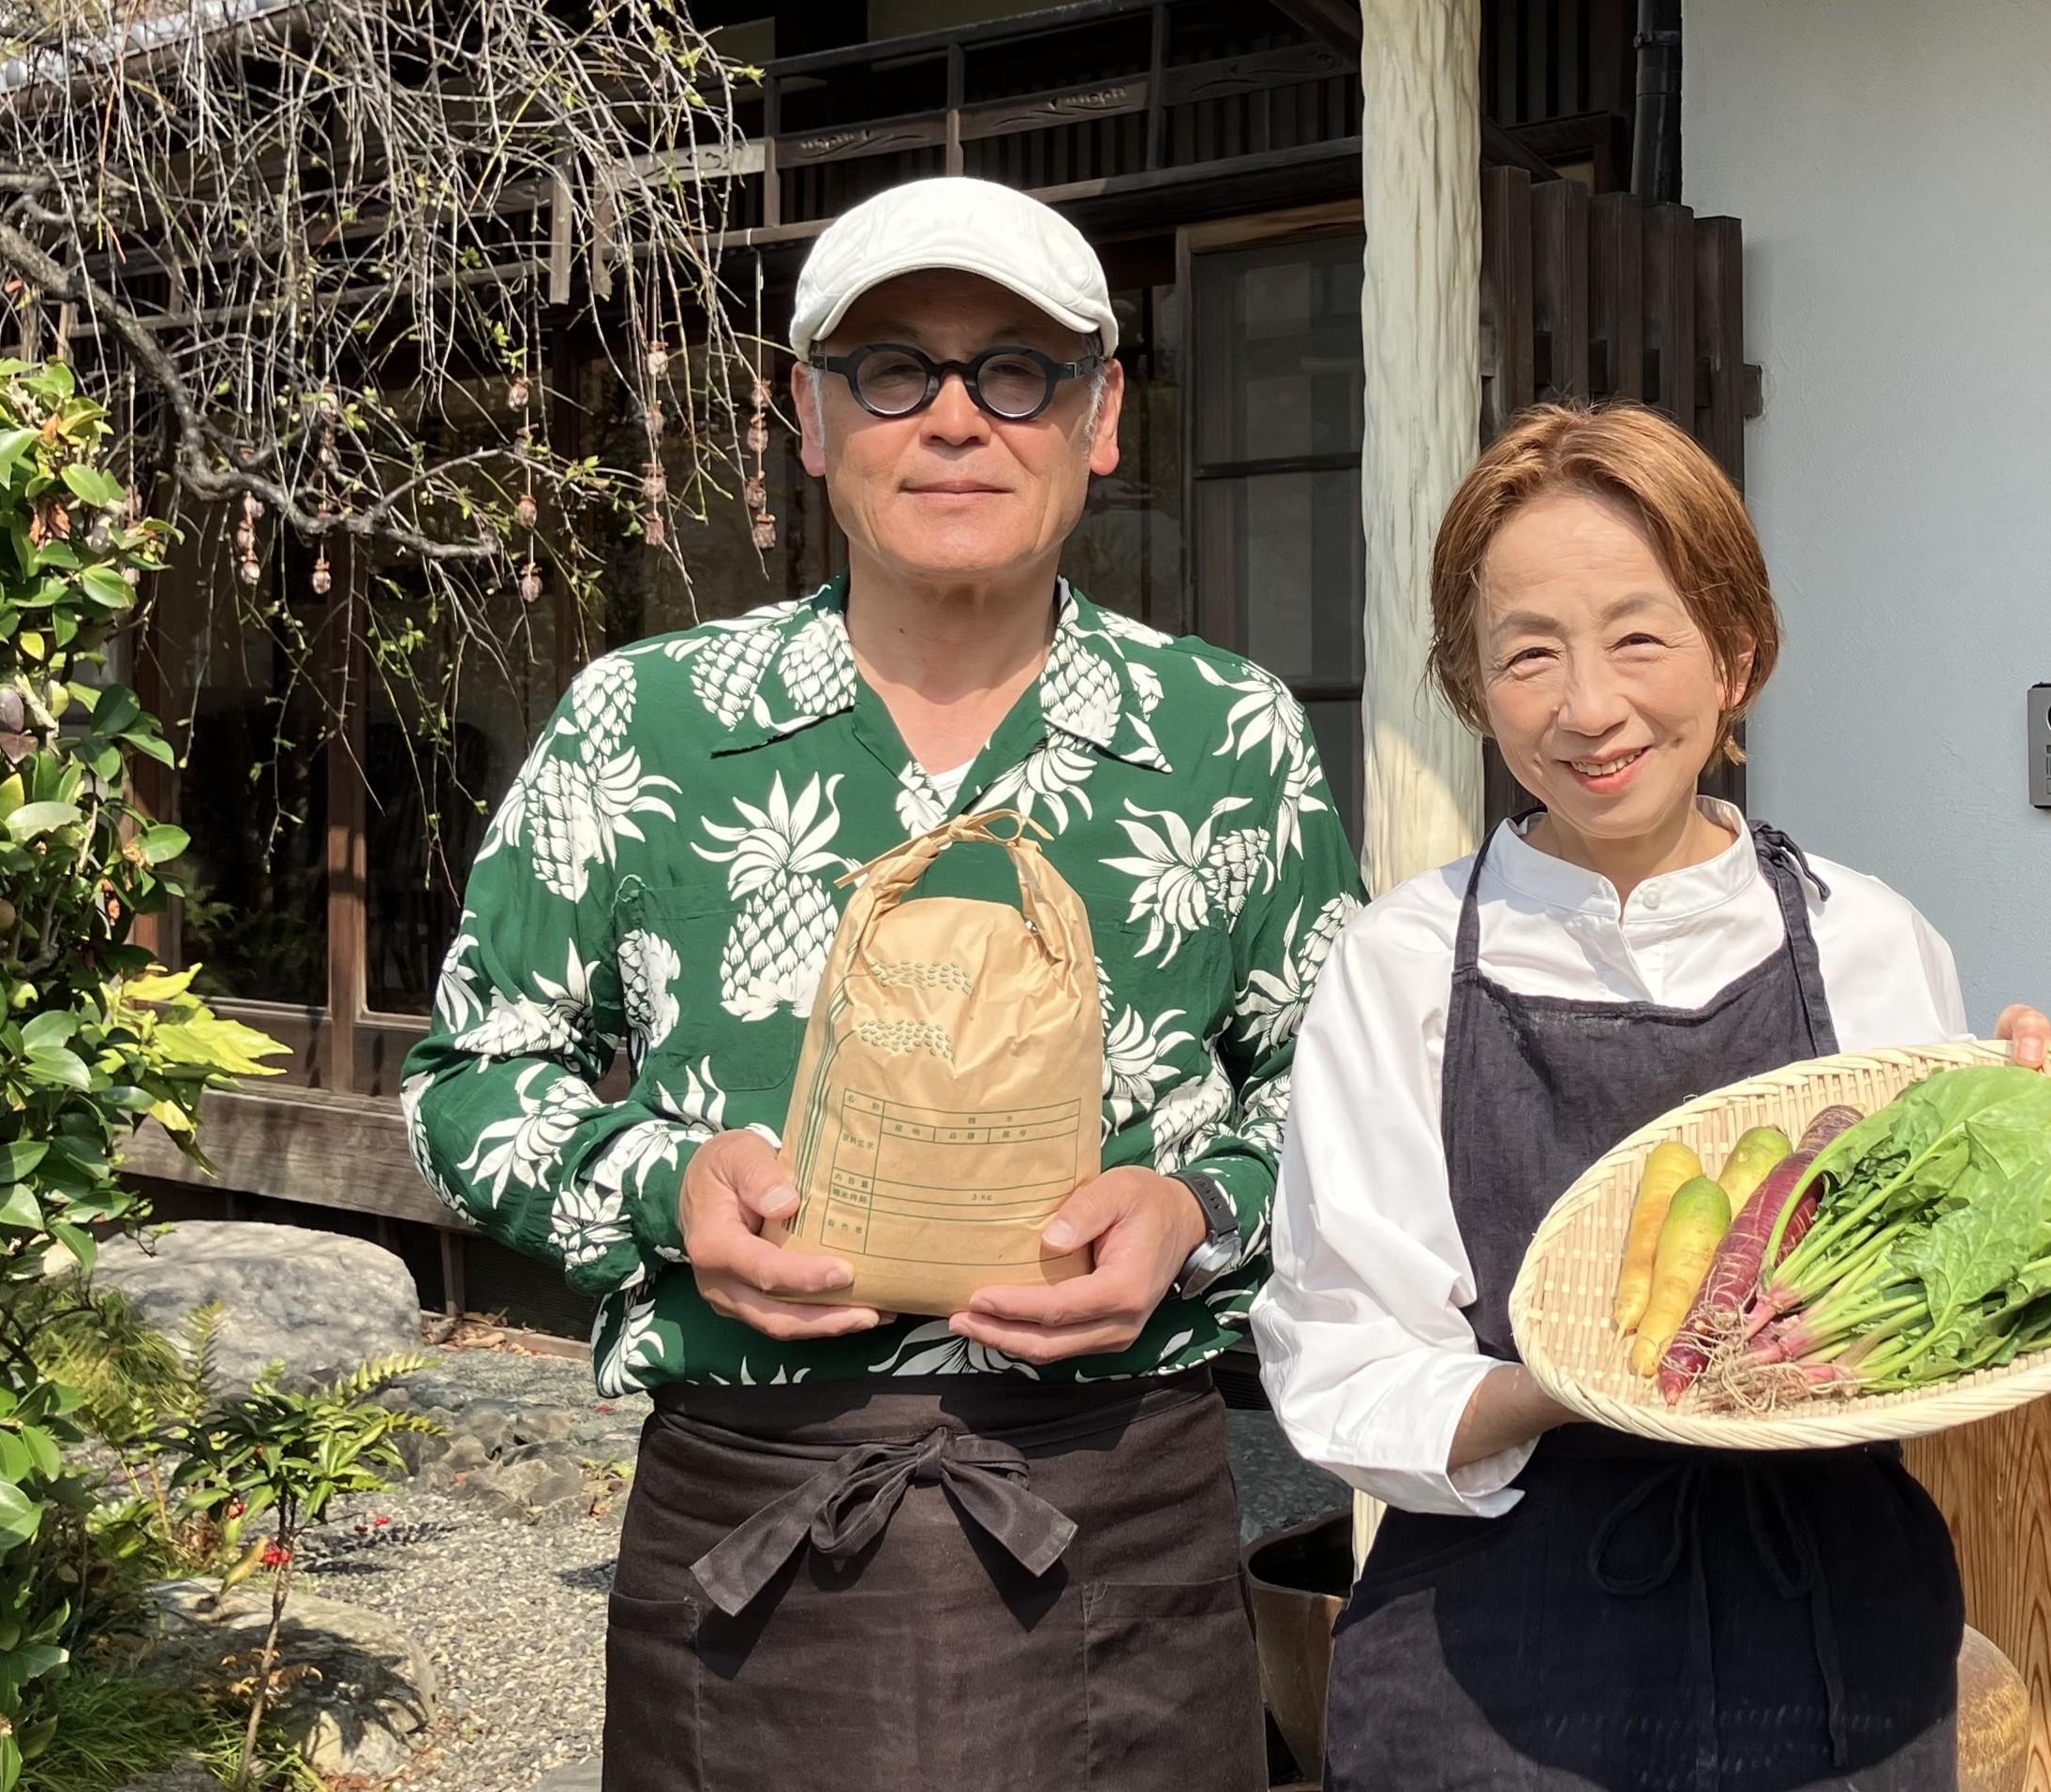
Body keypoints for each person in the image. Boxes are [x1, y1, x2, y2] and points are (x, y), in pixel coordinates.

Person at [402, 175, 1362, 1791]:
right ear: (808, 413)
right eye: (892, 369)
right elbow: (468, 1077)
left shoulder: (1225, 738)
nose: (955, 422)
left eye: (1018, 370)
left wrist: (1194, 1213)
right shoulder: (650, 725)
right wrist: (659, 1187)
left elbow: (1339, 1101)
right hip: (753, 1517)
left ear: (1101, 413)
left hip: (1116, 1514)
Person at [1252, 404, 2051, 1791]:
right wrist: (1568, 1387)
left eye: (1639, 636)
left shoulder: (1863, 938)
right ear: (1470, 686)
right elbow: (1340, 1359)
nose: (1588, 706)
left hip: (1829, 1631)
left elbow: (1928, 1337)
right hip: (1494, 1638)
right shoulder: (1400, 961)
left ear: (1736, 652)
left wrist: (2034, 1137)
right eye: (1527, 651)